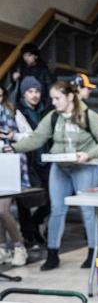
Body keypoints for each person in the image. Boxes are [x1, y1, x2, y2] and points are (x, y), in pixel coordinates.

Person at [9, 81, 98, 271]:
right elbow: (36, 139)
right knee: (57, 210)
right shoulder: (53, 117)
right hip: (60, 166)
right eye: (52, 98)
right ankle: (52, 254)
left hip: (85, 167)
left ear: (70, 97)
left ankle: (93, 252)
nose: (54, 102)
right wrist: (13, 148)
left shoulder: (89, 116)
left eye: (57, 98)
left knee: (87, 211)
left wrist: (88, 154)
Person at [14, 77, 51, 248]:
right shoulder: (17, 111)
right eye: (30, 91)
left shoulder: (46, 110)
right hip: (27, 160)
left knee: (51, 198)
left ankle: (36, 223)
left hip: (46, 158)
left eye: (37, 91)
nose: (35, 95)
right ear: (23, 94)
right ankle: (28, 234)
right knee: (24, 201)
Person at [0, 85, 30, 266]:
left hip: (9, 164)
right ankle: (3, 248)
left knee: (3, 209)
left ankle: (19, 246)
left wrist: (13, 136)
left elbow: (30, 136)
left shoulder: (14, 113)